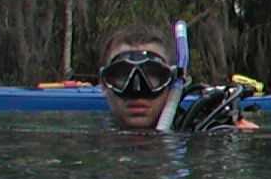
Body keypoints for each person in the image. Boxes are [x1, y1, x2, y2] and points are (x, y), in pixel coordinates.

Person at [98, 22, 256, 132]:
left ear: (174, 83)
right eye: (122, 76)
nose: (137, 90)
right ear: (104, 85)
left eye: (153, 76)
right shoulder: (93, 144)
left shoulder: (209, 134)